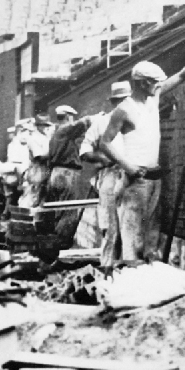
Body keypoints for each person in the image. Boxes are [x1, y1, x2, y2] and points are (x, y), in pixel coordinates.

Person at [100, 58, 185, 266]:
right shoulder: (124, 110)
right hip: (135, 183)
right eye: (155, 82)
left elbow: (182, 74)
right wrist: (127, 165)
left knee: (151, 238)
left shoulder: (153, 97)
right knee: (132, 240)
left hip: (154, 179)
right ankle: (131, 287)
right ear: (141, 83)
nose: (159, 86)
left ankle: (144, 284)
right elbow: (105, 142)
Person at [78, 82, 130, 258]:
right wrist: (102, 158)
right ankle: (108, 266)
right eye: (120, 101)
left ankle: (129, 270)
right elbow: (84, 151)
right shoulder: (101, 122)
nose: (124, 104)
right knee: (109, 225)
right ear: (113, 102)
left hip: (133, 176)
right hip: (111, 175)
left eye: (127, 100)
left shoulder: (137, 120)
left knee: (132, 224)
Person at [45, 105, 91, 247]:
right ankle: (59, 246)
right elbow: (85, 122)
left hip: (56, 172)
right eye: (72, 116)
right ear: (68, 117)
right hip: (67, 173)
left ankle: (54, 244)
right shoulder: (66, 129)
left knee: (59, 211)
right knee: (68, 212)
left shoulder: (55, 131)